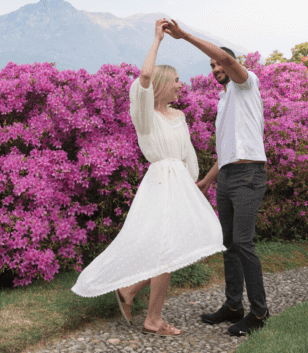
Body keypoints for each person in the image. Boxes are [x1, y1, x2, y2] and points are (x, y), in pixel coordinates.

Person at [71, 19, 226, 337]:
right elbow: (143, 77)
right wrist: (157, 39)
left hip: (178, 183)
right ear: (163, 82)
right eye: (177, 81)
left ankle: (129, 291)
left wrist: (194, 186)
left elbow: (187, 156)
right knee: (166, 250)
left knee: (172, 247)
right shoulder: (144, 115)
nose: (181, 86)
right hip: (159, 184)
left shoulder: (179, 115)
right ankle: (153, 319)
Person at [162, 19, 270, 336]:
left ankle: (260, 313)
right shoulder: (224, 101)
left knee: (243, 242)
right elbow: (226, 149)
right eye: (211, 65)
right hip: (227, 175)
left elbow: (226, 59)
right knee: (228, 244)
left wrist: (184, 36)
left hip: (250, 175)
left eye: (218, 63)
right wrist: (208, 180)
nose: (215, 68)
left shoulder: (246, 84)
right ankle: (233, 306)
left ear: (230, 64)